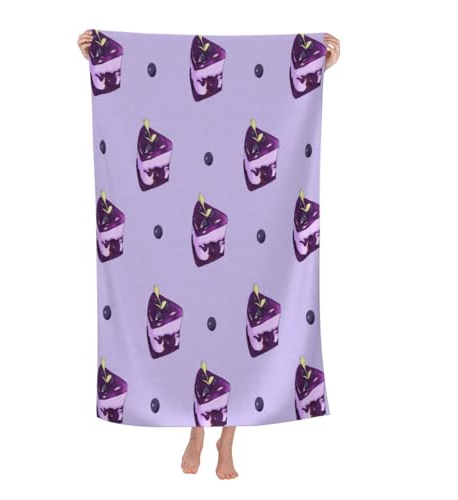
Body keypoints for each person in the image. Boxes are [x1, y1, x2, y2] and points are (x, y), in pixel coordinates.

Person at [77, 28, 340, 480]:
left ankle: (227, 438)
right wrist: (97, 55)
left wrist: (319, 64)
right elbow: (154, 83)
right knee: (193, 318)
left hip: (247, 214)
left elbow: (276, 87)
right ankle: (197, 429)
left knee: (239, 325)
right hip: (185, 209)